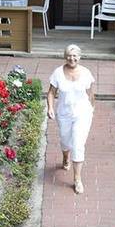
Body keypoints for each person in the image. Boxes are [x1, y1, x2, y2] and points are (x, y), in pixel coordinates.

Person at [47, 44, 95, 194]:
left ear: (79, 57)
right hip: (64, 113)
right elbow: (50, 93)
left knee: (78, 144)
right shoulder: (58, 73)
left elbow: (91, 94)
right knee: (65, 140)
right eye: (69, 55)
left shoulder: (86, 73)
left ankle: (77, 179)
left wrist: (91, 109)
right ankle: (65, 157)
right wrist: (50, 108)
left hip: (82, 113)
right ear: (65, 56)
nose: (72, 58)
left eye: (75, 55)